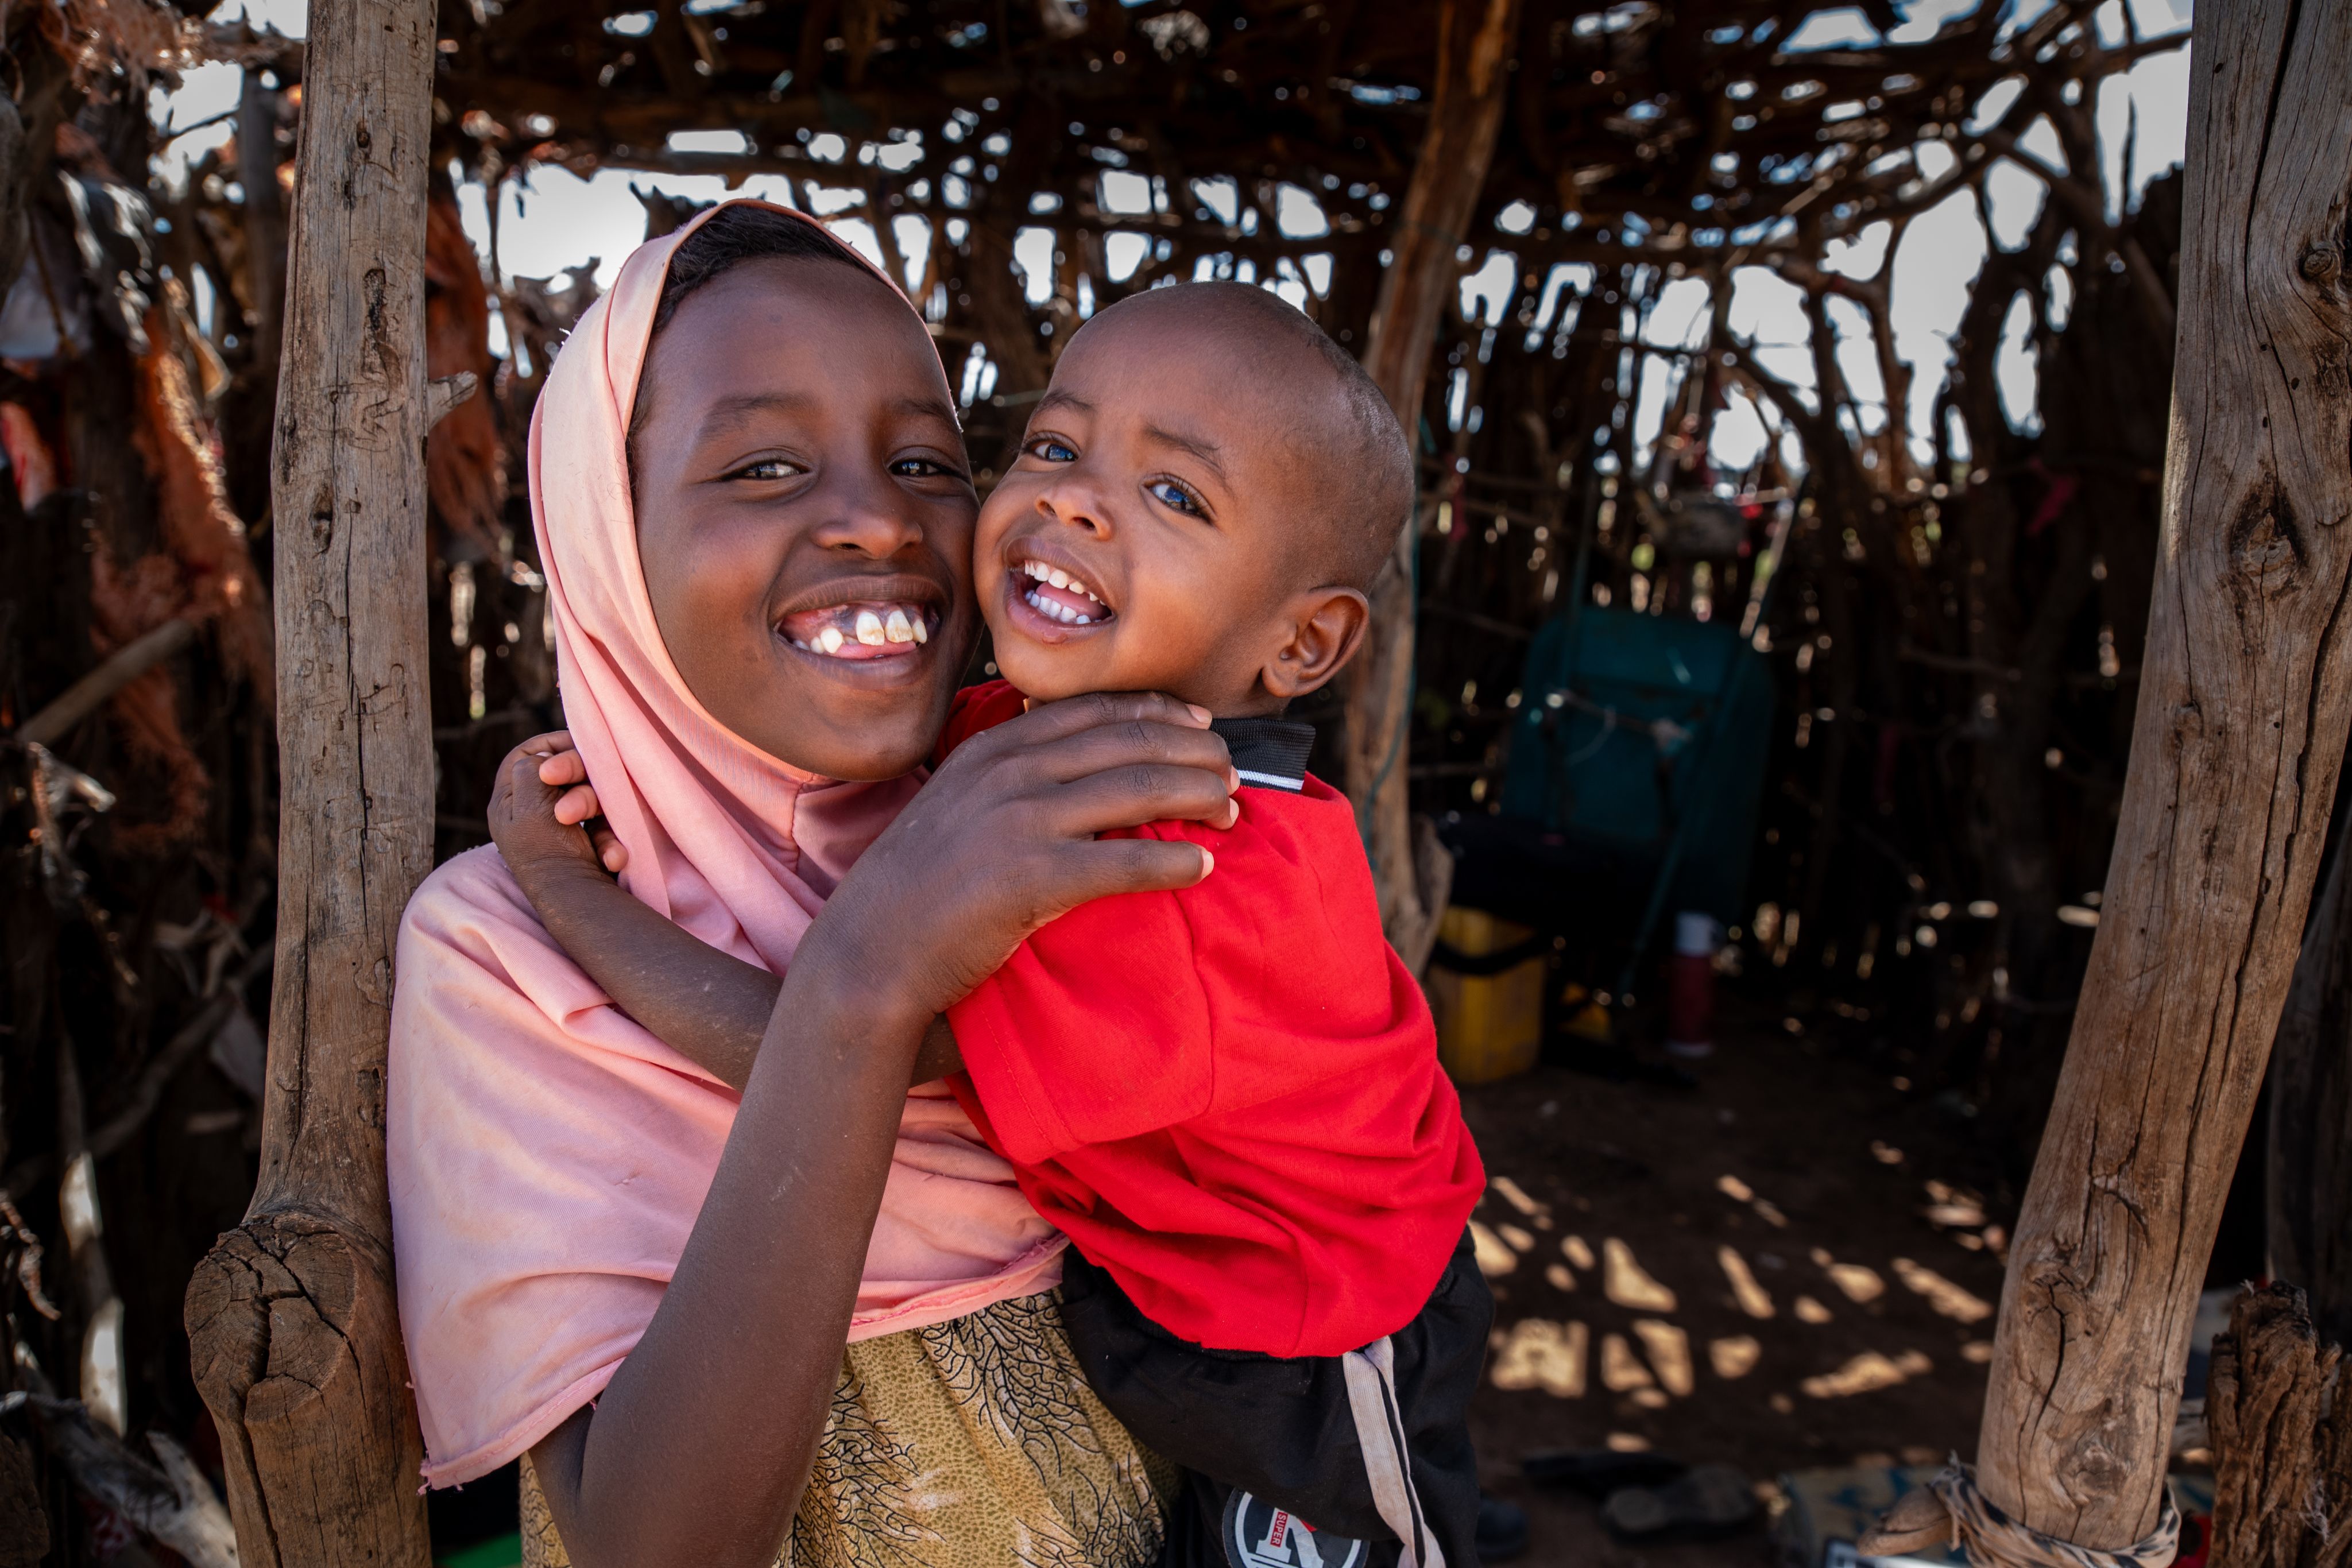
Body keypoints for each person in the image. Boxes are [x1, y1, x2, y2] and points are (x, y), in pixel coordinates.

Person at [488, 282, 1493, 1567]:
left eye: (1175, 497)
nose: (1075, 501)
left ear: (1301, 644)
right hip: (1189, 1289)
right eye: (1054, 447)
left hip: (1322, 1336)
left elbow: (832, 1047)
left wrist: (561, 893)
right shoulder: (1030, 728)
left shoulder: (1154, 862)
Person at [386, 201, 1245, 1568]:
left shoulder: (1038, 832)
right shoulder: (507, 956)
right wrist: (864, 978)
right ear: (607, 538)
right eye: (765, 464)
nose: (873, 520)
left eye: (924, 458)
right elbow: (653, 1548)